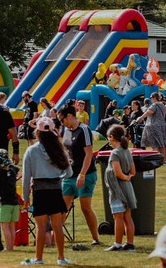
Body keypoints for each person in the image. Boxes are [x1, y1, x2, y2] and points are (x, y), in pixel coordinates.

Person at [21, 117, 72, 265]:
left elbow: (26, 176)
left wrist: (25, 197)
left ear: (38, 132)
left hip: (40, 191)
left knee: (41, 227)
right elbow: (69, 173)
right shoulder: (59, 149)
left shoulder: (31, 150)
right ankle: (61, 258)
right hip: (56, 190)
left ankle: (38, 258)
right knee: (57, 226)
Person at [58, 105, 102, 246]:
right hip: (69, 175)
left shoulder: (84, 129)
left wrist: (82, 174)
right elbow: (66, 151)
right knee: (62, 208)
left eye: (62, 119)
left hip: (86, 174)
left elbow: (89, 154)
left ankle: (96, 238)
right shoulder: (66, 130)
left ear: (70, 116)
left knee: (85, 208)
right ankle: (55, 238)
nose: (61, 123)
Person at [103, 125, 137, 252]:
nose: (109, 141)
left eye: (109, 138)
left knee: (118, 217)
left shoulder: (115, 153)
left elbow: (117, 172)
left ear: (112, 137)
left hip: (118, 189)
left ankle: (117, 244)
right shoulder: (127, 151)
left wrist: (124, 177)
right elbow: (133, 170)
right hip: (128, 188)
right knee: (128, 217)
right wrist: (129, 177)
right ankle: (130, 244)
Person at [0, 149, 20, 251]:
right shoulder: (13, 170)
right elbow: (16, 169)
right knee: (12, 226)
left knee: (4, 226)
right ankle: (12, 247)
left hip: (5, 202)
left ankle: (8, 248)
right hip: (15, 202)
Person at [134, 92, 166, 159]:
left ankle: (155, 158)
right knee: (161, 144)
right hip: (162, 126)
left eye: (151, 97)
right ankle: (162, 158)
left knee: (154, 144)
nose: (151, 99)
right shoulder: (163, 105)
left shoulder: (154, 105)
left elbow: (148, 112)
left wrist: (140, 118)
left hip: (154, 126)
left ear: (154, 98)